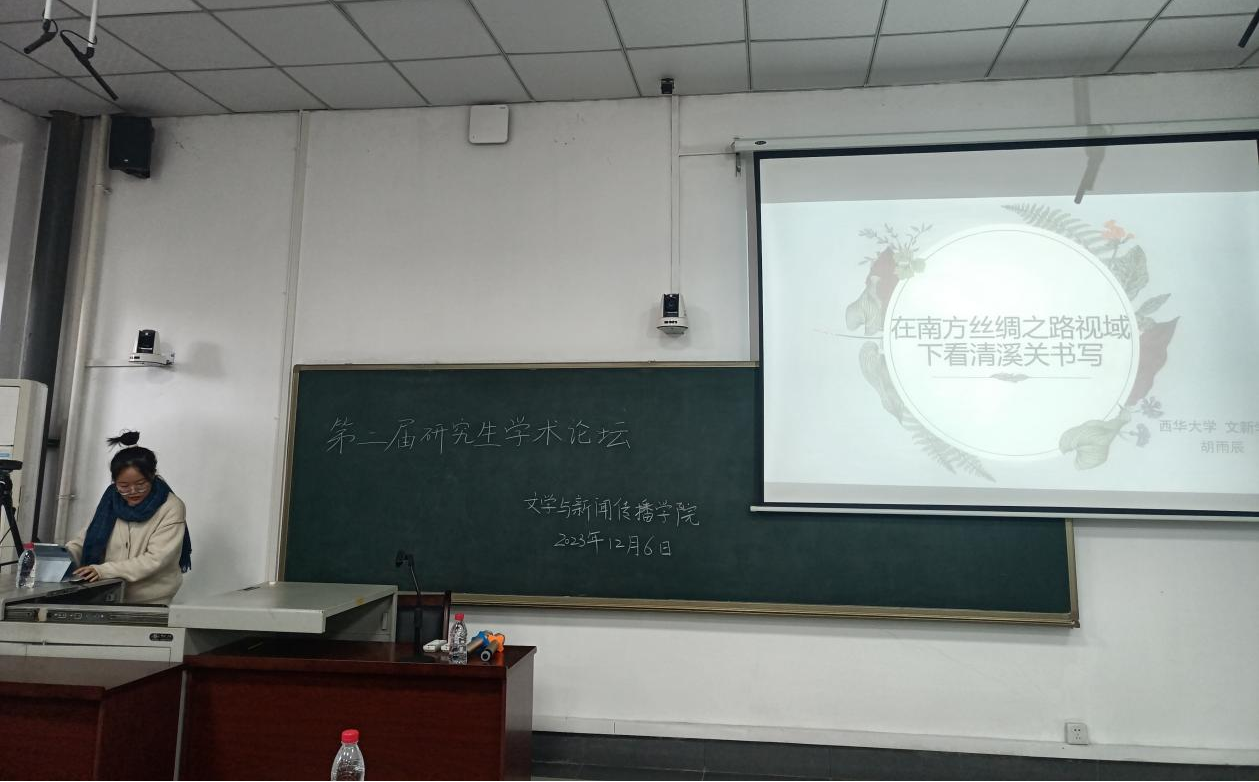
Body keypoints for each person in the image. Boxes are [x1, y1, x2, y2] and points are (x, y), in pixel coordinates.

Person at [64, 431, 191, 605]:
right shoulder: (110, 501)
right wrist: (61, 556)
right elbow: (85, 540)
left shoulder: (170, 506)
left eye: (140, 484)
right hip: (106, 594)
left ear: (152, 476)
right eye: (123, 486)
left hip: (151, 599)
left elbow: (156, 559)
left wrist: (104, 571)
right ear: (114, 482)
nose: (132, 491)